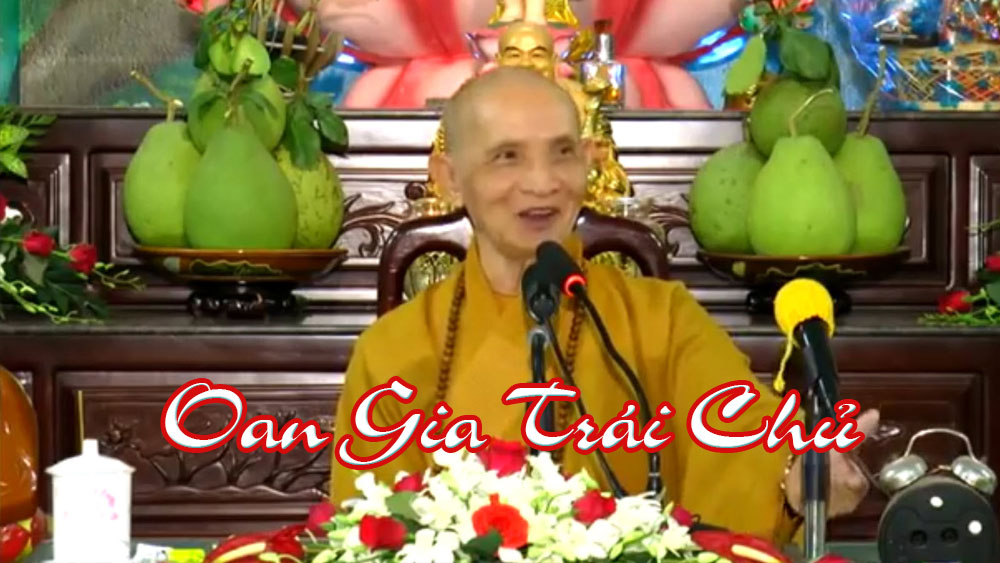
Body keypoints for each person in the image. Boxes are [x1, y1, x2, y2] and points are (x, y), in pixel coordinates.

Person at [330, 66, 879, 546]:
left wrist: (800, 475)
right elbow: (369, 534)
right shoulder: (394, 350)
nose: (542, 183)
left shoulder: (661, 319)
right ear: (449, 178)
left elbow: (743, 432)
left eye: (562, 152)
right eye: (507, 157)